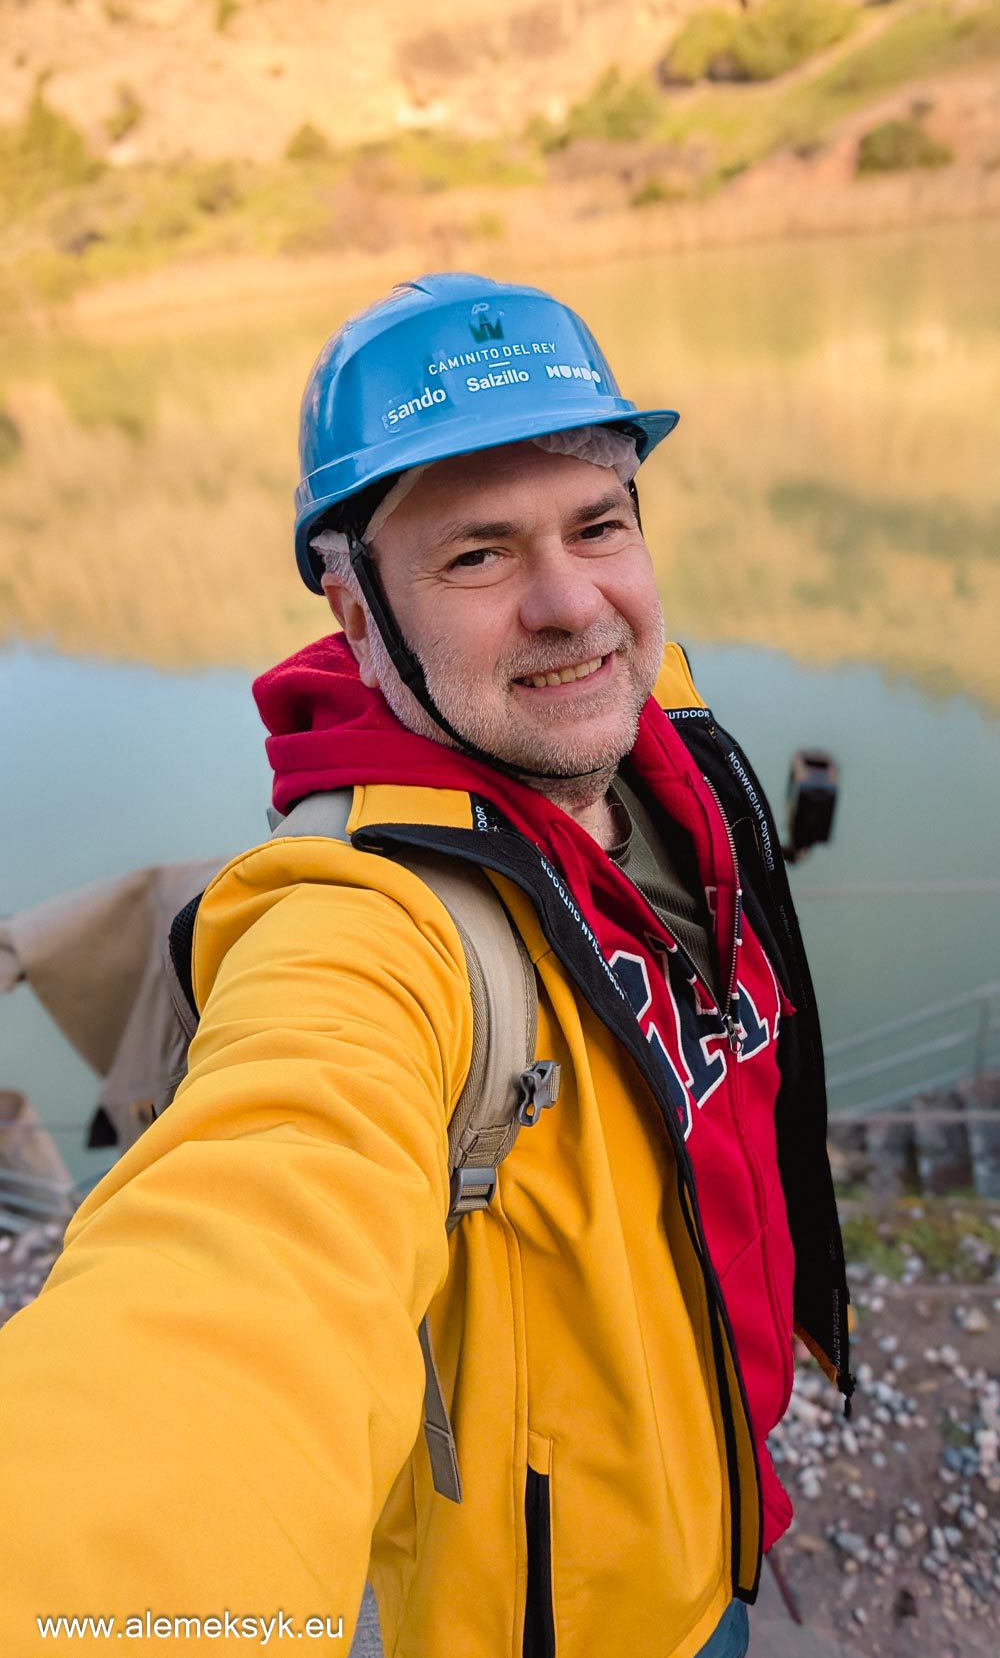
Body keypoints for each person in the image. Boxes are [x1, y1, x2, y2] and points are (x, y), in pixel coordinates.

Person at [0, 273, 850, 1657]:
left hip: (725, 1520)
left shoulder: (676, 766)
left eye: (600, 522)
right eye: (478, 555)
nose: (573, 604)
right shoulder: (365, 930)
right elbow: (241, 1271)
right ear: (354, 614)